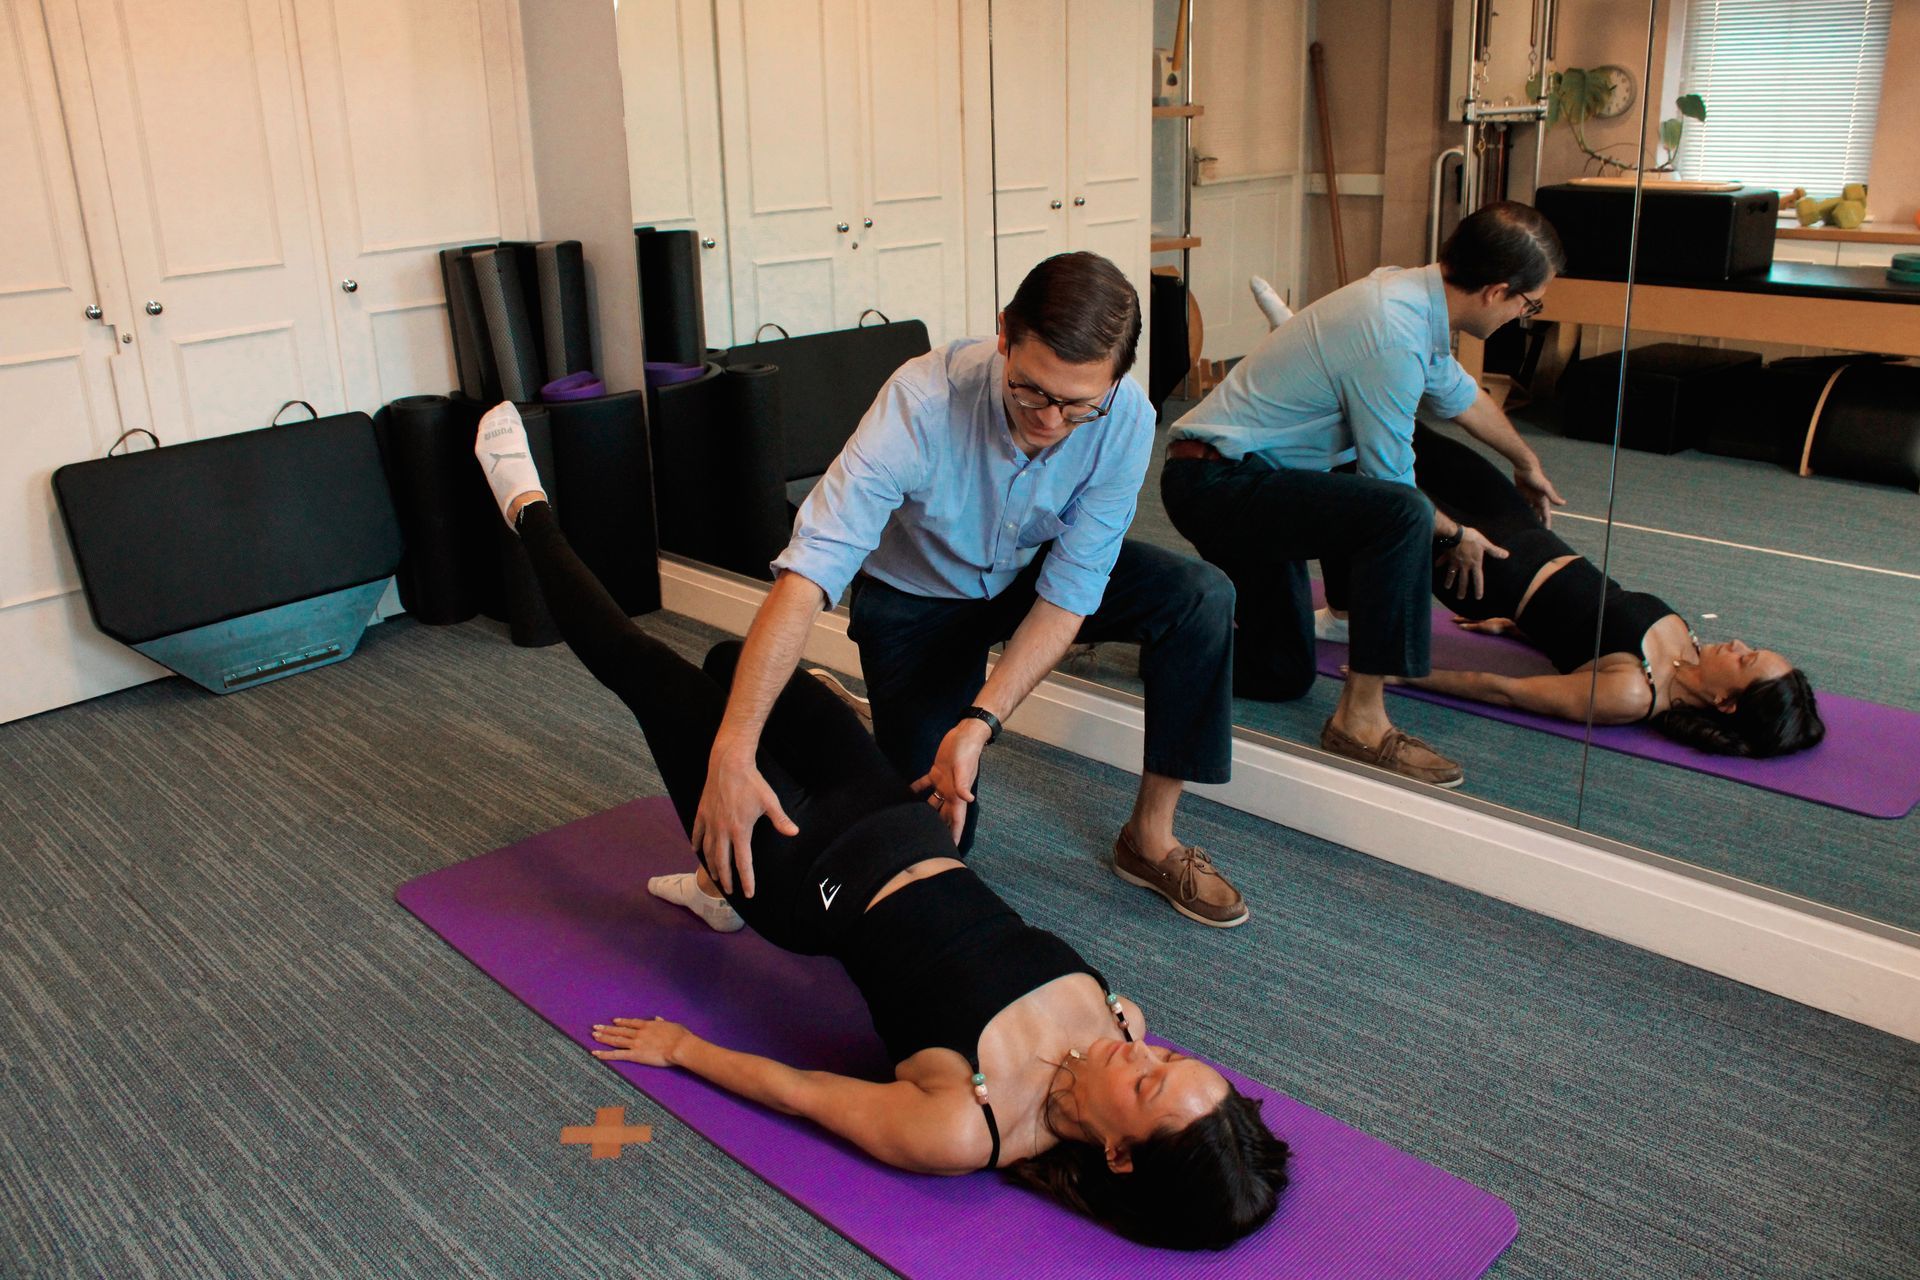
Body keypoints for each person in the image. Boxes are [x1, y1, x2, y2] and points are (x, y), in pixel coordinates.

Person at [471, 404, 1292, 1249]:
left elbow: (804, 1093)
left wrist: (683, 1049)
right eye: (1172, 1065)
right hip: (896, 818)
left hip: (803, 874)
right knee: (740, 666)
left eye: (1150, 1088)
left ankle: (524, 507)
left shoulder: (968, 1130)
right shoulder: (1126, 1024)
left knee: (644, 668)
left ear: (1120, 1156)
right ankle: (715, 880)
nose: (1147, 1058)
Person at [693, 251, 1249, 929]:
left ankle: (1150, 840)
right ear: (1004, 335)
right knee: (938, 837)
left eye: (1077, 406)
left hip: (1027, 575)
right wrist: (731, 748)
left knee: (1198, 596)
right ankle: (867, 719)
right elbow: (808, 576)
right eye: (1031, 391)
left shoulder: (1124, 417)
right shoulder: (919, 401)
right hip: (915, 603)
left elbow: (1070, 592)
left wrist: (979, 724)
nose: (1049, 420)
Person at [1159, 201, 1570, 789]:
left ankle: (1142, 634)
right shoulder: (1392, 334)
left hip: (1253, 479)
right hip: (1218, 484)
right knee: (1399, 513)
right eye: (1530, 305)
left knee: (1282, 673)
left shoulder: (1410, 300)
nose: (1524, 316)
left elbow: (1462, 396)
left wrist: (1525, 460)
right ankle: (1362, 719)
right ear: (1498, 291)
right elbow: (1389, 484)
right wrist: (1457, 534)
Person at [1337, 425, 1825, 756]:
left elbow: (1505, 691)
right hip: (1524, 531)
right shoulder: (1689, 651)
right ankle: (1314, 360)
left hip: (1485, 570)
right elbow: (1590, 629)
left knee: (1367, 475)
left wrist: (1402, 675)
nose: (1738, 645)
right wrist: (1511, 630)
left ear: (1726, 703)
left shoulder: (1633, 694)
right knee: (1410, 433)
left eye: (1744, 661)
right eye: (1752, 649)